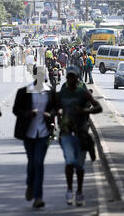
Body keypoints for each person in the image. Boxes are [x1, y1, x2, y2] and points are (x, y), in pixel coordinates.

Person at [55, 66, 102, 206]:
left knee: (79, 166)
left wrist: (84, 110)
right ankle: (69, 189)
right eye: (68, 76)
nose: (70, 79)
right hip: (66, 133)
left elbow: (98, 107)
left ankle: (79, 191)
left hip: (81, 133)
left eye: (72, 76)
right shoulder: (63, 92)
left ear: (76, 77)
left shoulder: (83, 93)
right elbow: (54, 107)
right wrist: (57, 113)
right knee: (69, 161)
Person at [13, 65, 55, 208]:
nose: (40, 76)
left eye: (43, 74)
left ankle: (38, 197)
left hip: (43, 133)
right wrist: (28, 113)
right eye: (38, 74)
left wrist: (50, 115)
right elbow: (15, 109)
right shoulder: (24, 92)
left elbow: (55, 108)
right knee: (32, 162)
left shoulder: (50, 92)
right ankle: (30, 184)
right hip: (29, 133)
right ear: (34, 75)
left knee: (38, 163)